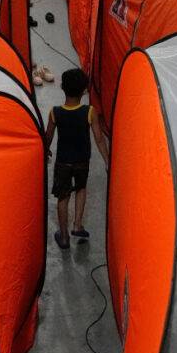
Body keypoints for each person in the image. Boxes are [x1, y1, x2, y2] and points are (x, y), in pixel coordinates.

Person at [44, 68, 109, 250]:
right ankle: (77, 225)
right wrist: (106, 160)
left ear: (62, 87)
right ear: (84, 90)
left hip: (63, 162)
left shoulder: (55, 112)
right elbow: (98, 138)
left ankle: (63, 236)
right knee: (81, 188)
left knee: (63, 197)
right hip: (82, 161)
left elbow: (48, 136)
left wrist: (46, 150)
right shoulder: (89, 111)